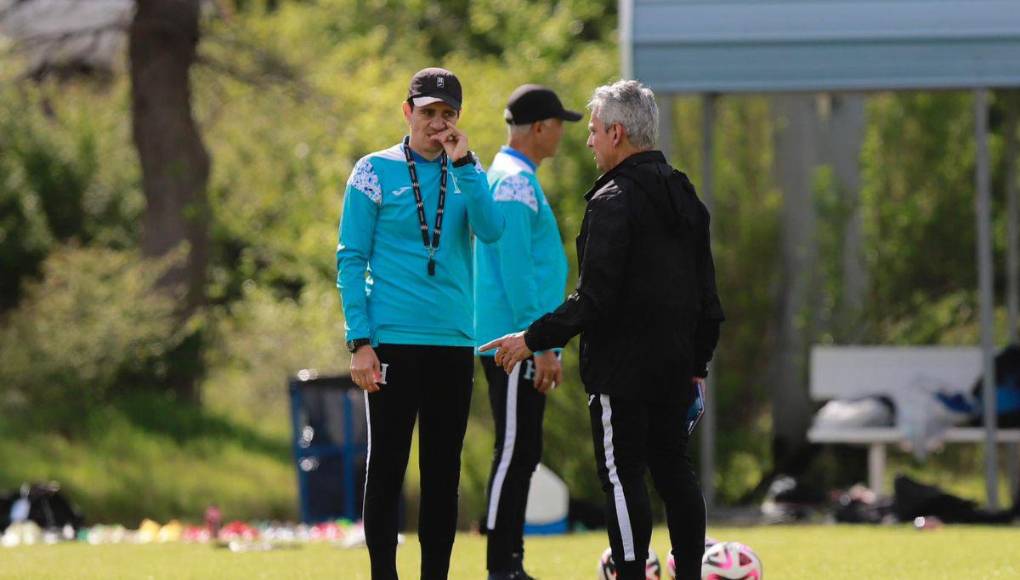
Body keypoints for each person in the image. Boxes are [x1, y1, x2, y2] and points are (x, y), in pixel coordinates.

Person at [481, 80, 725, 580]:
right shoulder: (685, 193)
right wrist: (697, 365)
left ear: (616, 133)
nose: (589, 141)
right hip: (676, 367)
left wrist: (533, 338)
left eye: (593, 131)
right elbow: (708, 299)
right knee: (675, 471)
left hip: (622, 372)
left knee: (622, 477)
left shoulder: (612, 199)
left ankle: (631, 574)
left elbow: (595, 300)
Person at [337, 67, 505, 580]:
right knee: (387, 468)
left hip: (453, 342)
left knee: (442, 475)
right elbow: (350, 259)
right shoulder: (372, 170)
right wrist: (360, 342)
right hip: (392, 341)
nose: (437, 123)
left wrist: (467, 163)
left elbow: (492, 230)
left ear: (458, 119)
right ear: (407, 111)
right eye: (428, 112)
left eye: (447, 114)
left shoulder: (466, 171)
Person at [474, 85, 581, 580]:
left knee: (523, 451)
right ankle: (501, 566)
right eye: (558, 123)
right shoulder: (515, 183)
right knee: (515, 449)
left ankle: (510, 561)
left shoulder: (517, 178)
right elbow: (517, 271)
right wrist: (538, 343)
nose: (563, 132)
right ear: (539, 128)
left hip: (522, 338)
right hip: (515, 341)